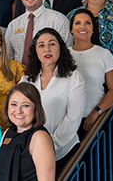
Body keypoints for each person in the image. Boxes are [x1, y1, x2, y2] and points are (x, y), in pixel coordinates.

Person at [21, 28, 85, 176]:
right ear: (35, 51)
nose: (47, 49)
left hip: (65, 151)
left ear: (61, 49)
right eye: (41, 45)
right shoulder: (26, 80)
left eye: (52, 44)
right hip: (31, 152)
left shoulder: (73, 78)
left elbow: (73, 117)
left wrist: (50, 145)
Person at [68, 9, 113, 139]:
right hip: (69, 121)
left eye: (87, 23)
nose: (83, 26)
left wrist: (95, 113)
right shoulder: (63, 55)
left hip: (98, 120)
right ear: (71, 29)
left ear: (93, 29)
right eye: (78, 23)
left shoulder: (104, 54)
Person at [0, 82, 55, 181]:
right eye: (14, 104)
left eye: (25, 106)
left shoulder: (40, 137)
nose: (18, 111)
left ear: (36, 110)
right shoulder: (8, 132)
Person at [5, 0, 72, 66]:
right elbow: (9, 58)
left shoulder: (58, 20)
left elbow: (65, 55)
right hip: (20, 78)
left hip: (50, 77)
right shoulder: (13, 25)